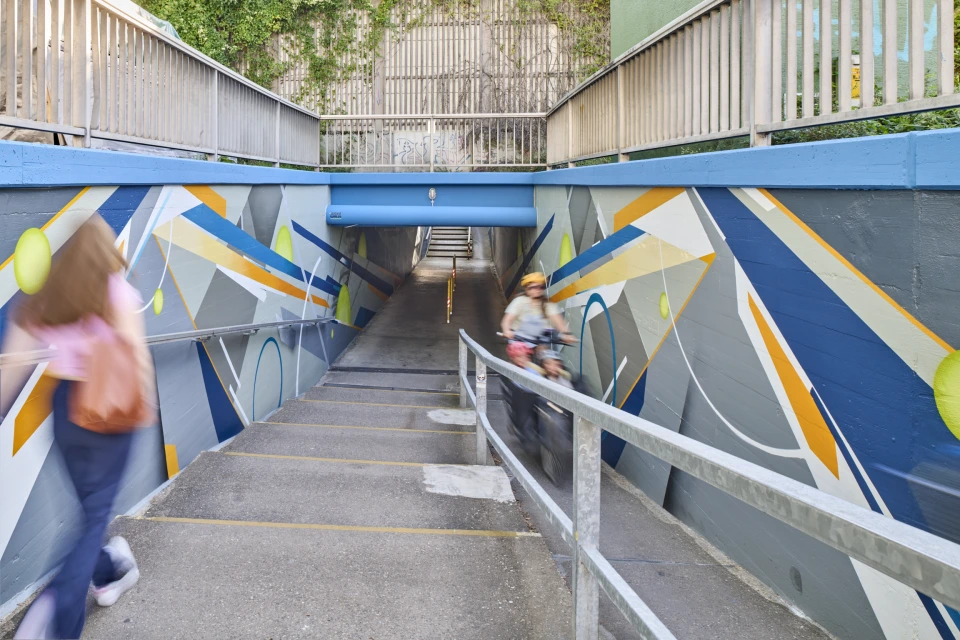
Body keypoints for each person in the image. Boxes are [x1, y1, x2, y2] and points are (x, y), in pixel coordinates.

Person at [4, 215, 154, 639]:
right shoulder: (119, 293)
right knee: (94, 518)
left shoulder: (48, 297)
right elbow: (137, 358)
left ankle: (110, 569)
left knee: (91, 513)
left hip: (67, 411)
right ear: (107, 251)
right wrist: (145, 406)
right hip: (110, 412)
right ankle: (54, 612)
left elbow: (12, 364)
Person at [501, 272, 575, 346]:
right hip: (519, 338)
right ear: (527, 289)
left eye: (541, 287)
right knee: (520, 353)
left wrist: (567, 334)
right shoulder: (519, 301)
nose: (537, 290)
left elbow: (559, 322)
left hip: (540, 340)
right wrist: (507, 330)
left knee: (548, 355)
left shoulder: (548, 305)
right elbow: (507, 320)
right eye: (533, 287)